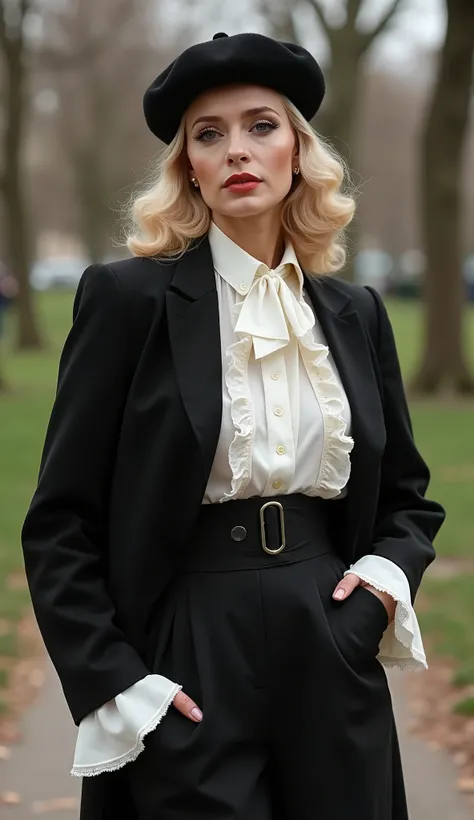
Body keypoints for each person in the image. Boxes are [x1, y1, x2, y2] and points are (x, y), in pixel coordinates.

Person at [21, 31, 445, 820]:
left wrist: (376, 597)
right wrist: (118, 681)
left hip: (328, 629)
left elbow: (407, 500)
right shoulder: (127, 303)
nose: (236, 151)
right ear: (188, 168)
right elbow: (60, 523)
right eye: (208, 135)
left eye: (261, 126)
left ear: (297, 152)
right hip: (187, 645)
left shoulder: (354, 314)